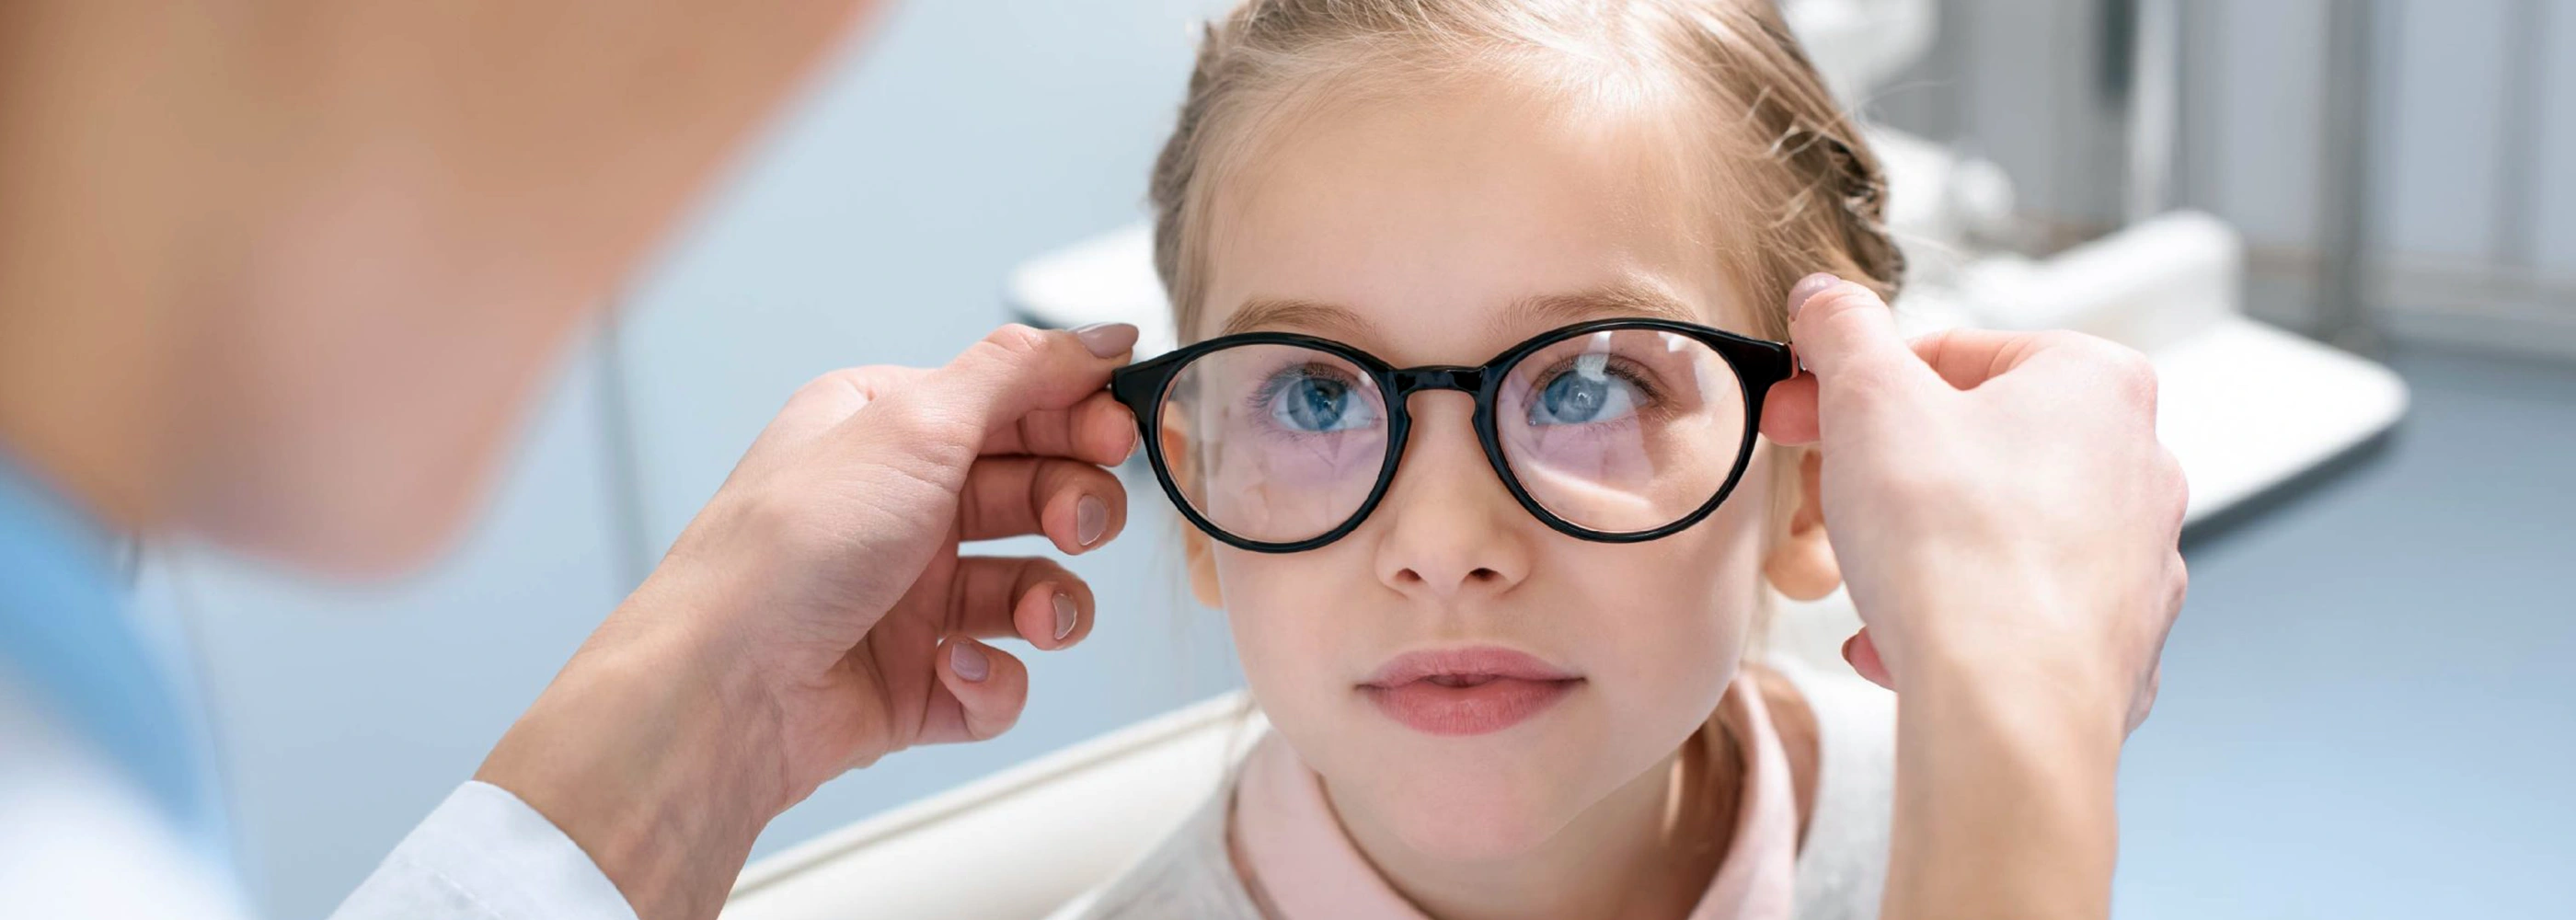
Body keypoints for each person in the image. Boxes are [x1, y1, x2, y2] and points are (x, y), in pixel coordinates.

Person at [0, 1, 2184, 919]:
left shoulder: (1929, 822)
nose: (1441, 539)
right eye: (1316, 398)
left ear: (1819, 479)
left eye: (1590, 376)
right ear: (1189, 499)